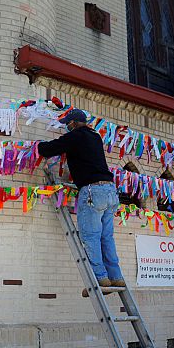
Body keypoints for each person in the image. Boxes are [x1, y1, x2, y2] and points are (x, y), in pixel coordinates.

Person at [38, 109, 125, 288]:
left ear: (74, 123)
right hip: (110, 190)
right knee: (106, 237)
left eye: (68, 124)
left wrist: (38, 146)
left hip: (93, 190)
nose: (67, 127)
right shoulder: (95, 136)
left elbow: (51, 148)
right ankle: (116, 276)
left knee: (90, 236)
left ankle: (100, 279)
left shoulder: (76, 136)